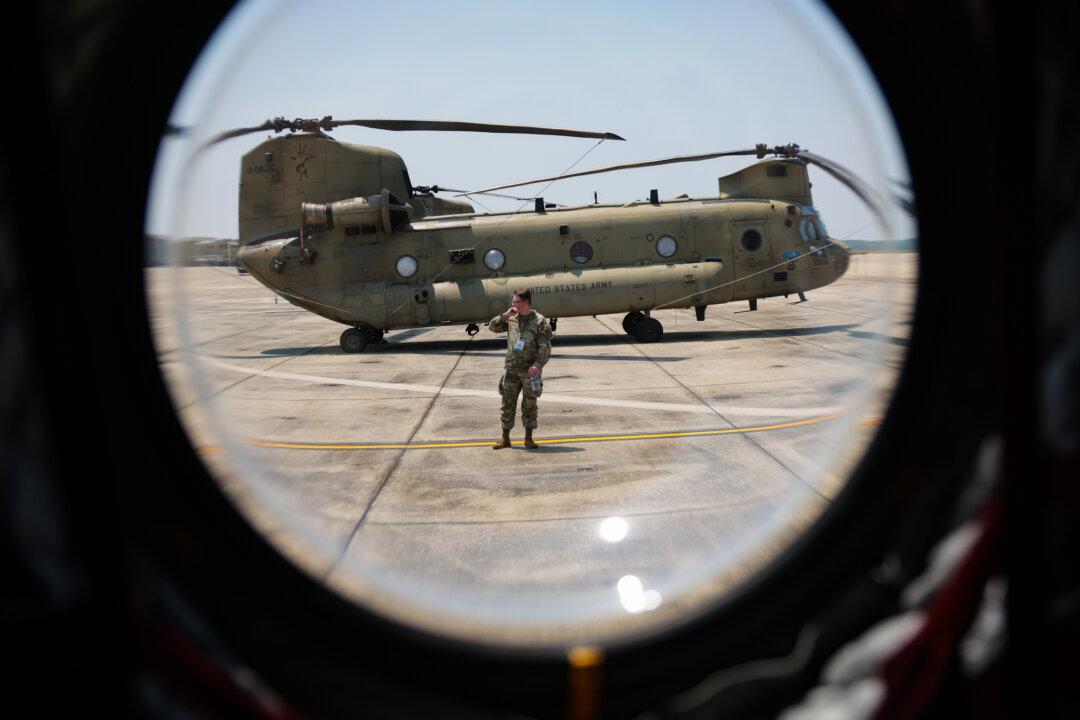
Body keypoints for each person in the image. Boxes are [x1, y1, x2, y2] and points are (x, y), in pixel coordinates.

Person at [488, 288, 553, 449]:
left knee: (529, 404)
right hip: (511, 370)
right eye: (513, 301)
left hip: (530, 372)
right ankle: (505, 438)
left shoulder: (539, 321)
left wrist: (538, 365)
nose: (513, 304)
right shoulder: (511, 319)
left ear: (525, 302)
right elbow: (493, 327)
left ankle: (528, 438)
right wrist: (505, 315)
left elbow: (545, 347)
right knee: (507, 403)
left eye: (516, 301)